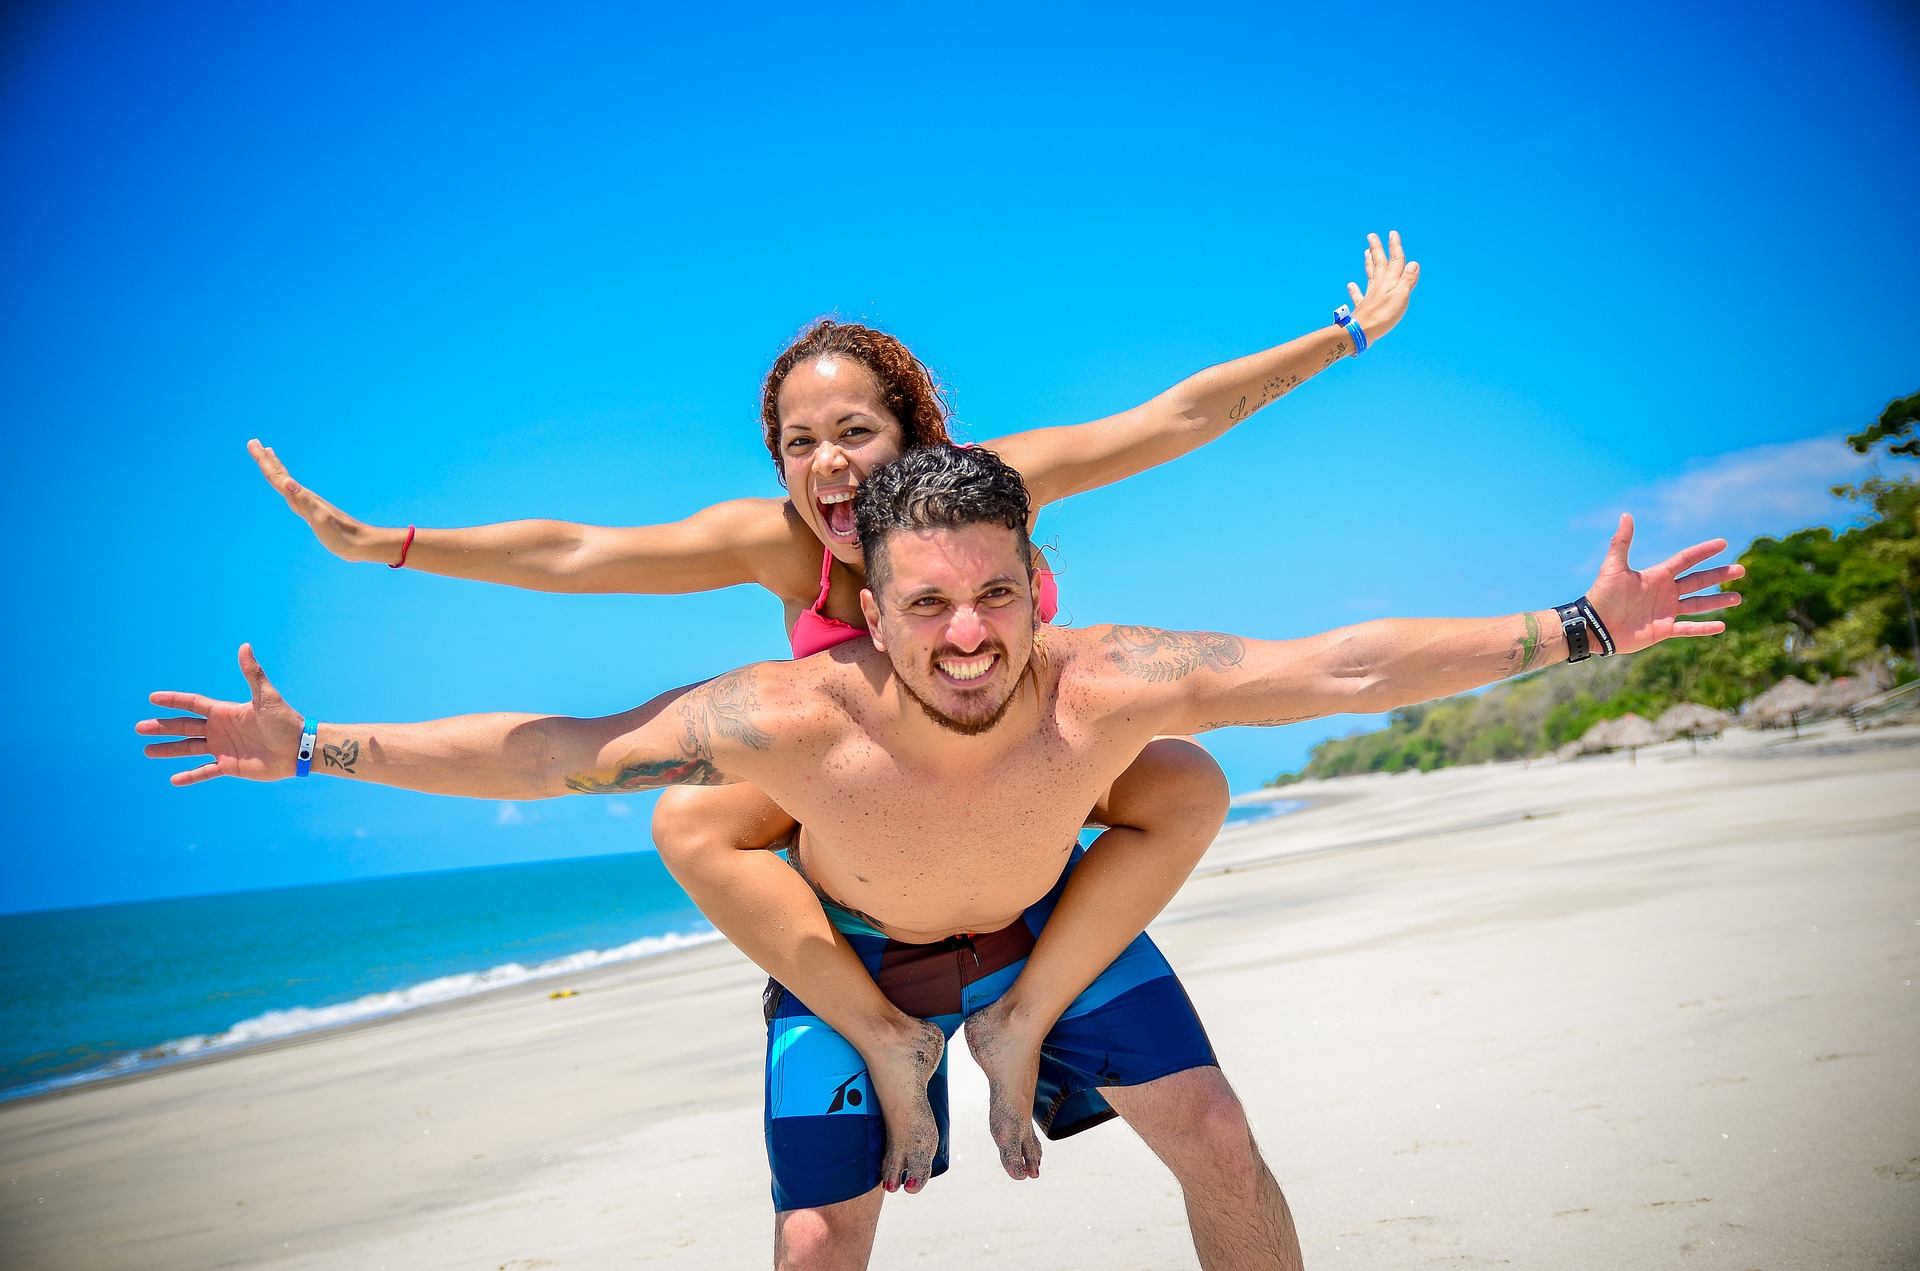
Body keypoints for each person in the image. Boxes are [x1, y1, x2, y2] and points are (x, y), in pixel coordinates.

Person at [141, 443, 1742, 1271]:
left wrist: (1585, 622)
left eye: (995, 594)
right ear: (870, 604)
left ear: (1040, 580)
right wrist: (317, 745)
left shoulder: (1111, 674)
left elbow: (1342, 665)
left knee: (1224, 1141)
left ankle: (1022, 1020)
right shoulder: (783, 714)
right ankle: (908, 1045)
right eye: (925, 603)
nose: (967, 635)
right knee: (817, 1241)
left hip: (1051, 918)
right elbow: (558, 752)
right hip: (860, 946)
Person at [243, 233, 1422, 1186]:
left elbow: (1169, 421)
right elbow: (577, 550)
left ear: (915, 432)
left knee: (1182, 778)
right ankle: (886, 1036)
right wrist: (382, 545)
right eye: (799, 442)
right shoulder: (777, 537)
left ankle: (1028, 1019)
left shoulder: (985, 487)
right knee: (690, 816)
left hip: (1023, 775)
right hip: (874, 807)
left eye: (856, 430)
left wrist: (1343, 336)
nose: (829, 464)